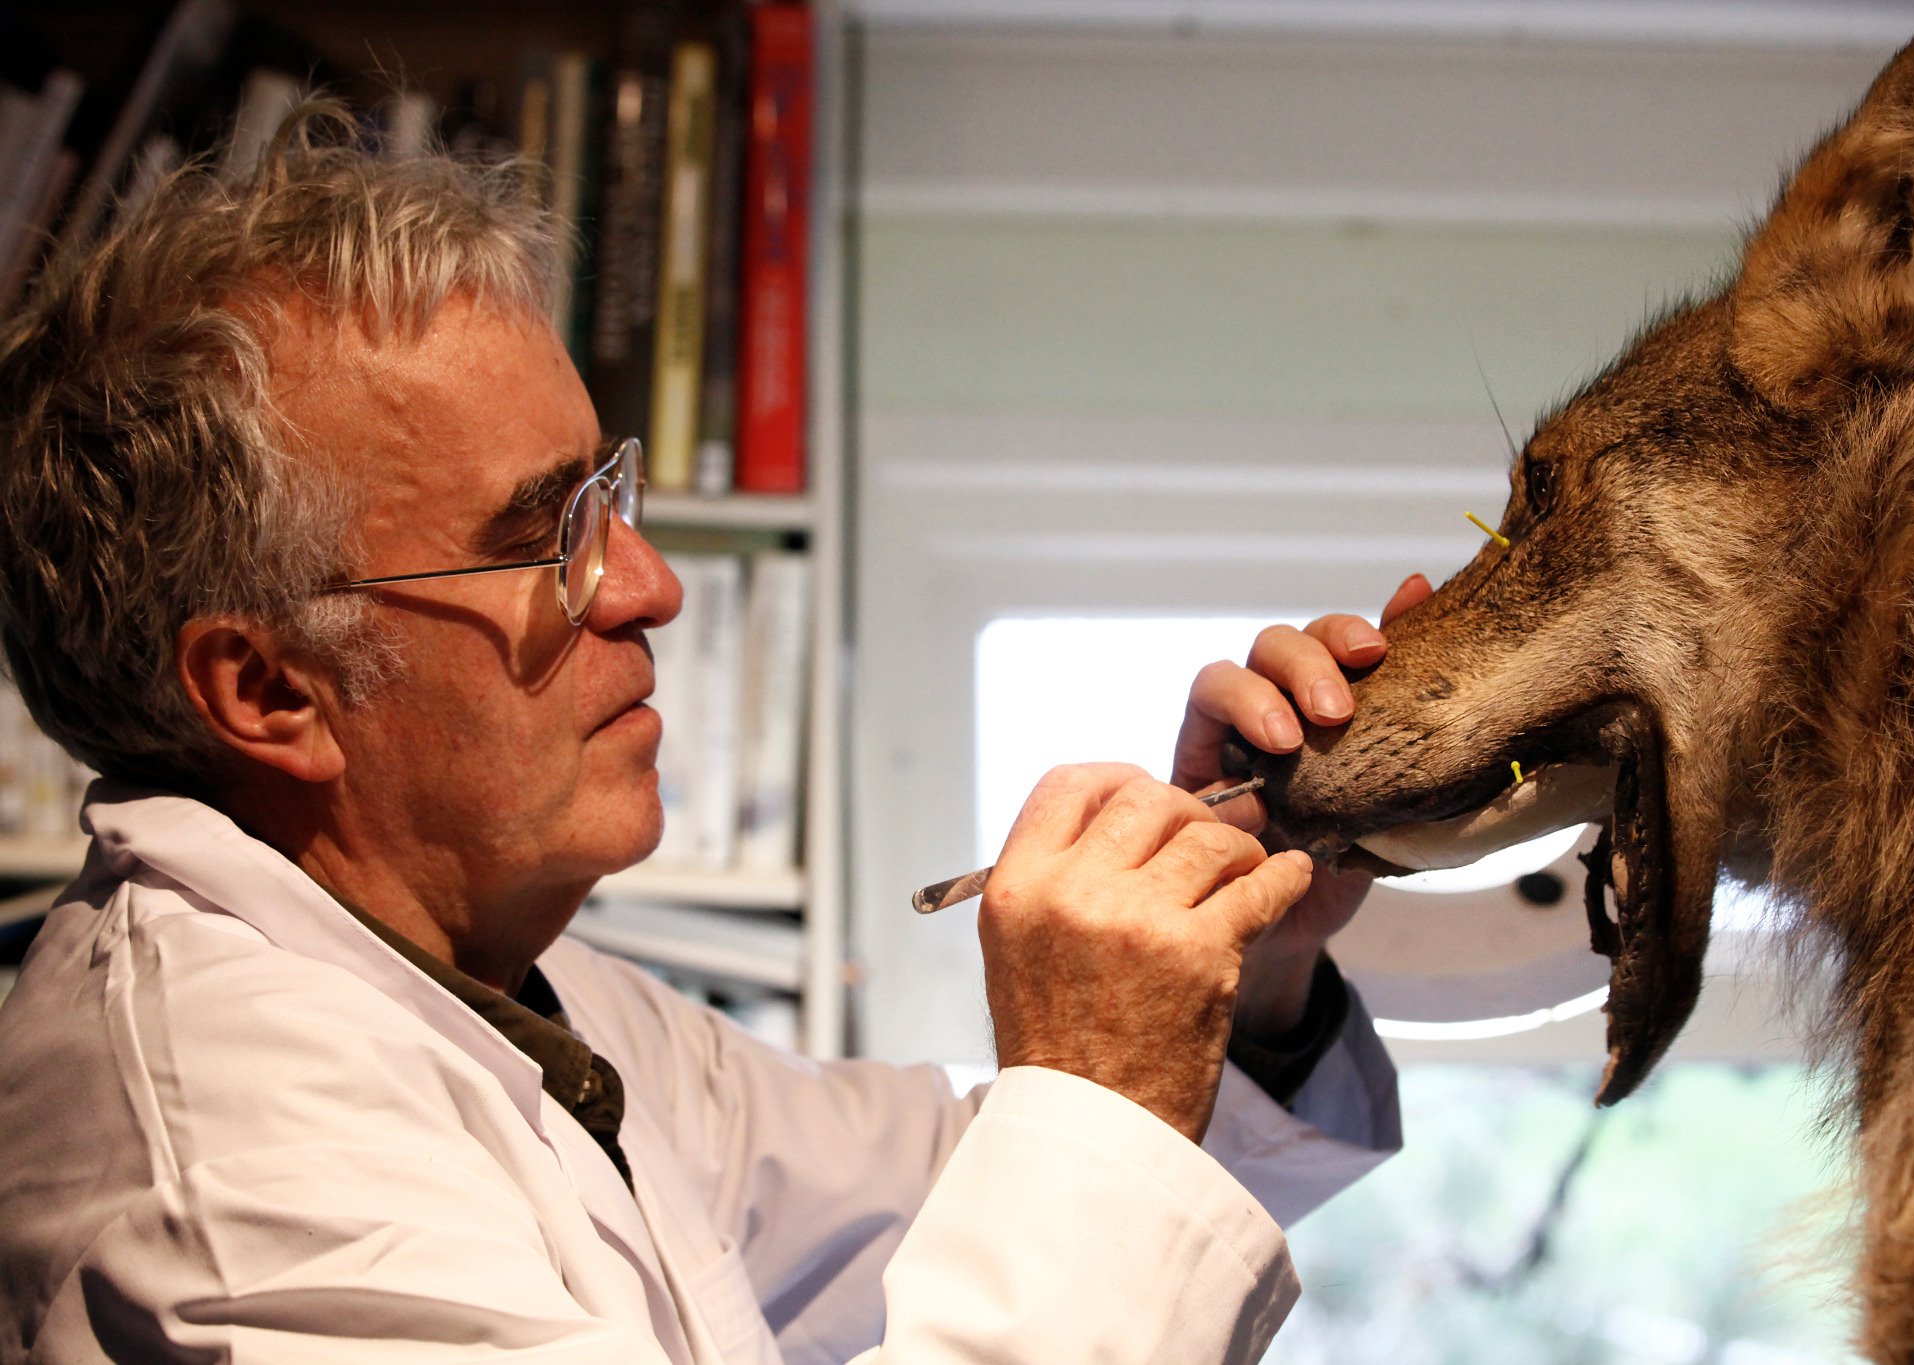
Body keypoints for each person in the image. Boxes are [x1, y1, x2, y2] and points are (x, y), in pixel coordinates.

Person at [0, 114, 1412, 1364]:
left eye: (606, 495)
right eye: (547, 536)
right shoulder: (230, 1173)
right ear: (271, 692)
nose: (651, 586)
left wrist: (1240, 963)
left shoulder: (510, 982)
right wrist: (1099, 1078)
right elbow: (1083, 1210)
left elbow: (955, 1198)